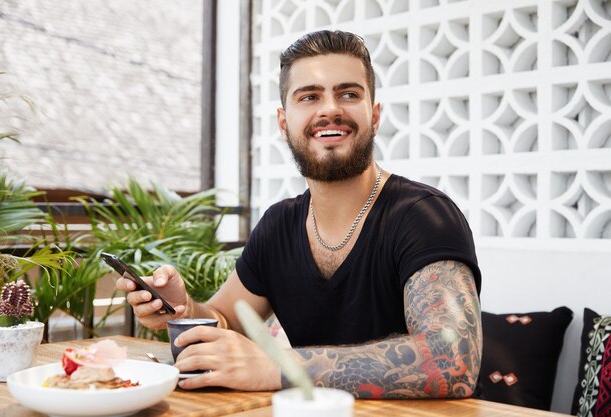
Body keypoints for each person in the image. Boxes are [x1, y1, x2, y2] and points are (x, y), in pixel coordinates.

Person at [116, 30, 482, 399]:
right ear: (283, 122)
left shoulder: (424, 216)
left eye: (349, 94)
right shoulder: (279, 226)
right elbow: (227, 320)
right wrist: (181, 310)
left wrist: (278, 365)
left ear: (374, 116)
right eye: (309, 97)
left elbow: (453, 360)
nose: (330, 109)